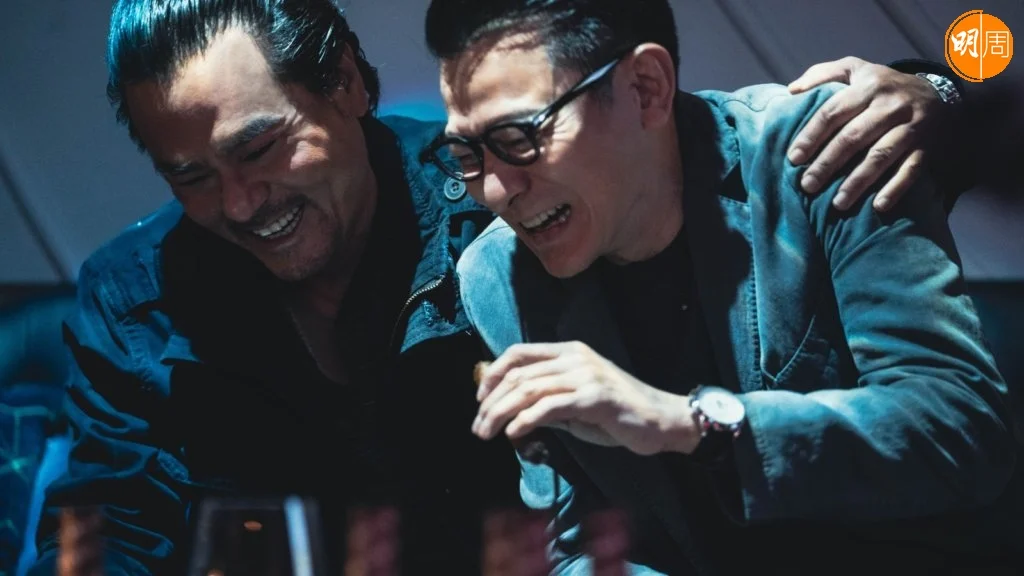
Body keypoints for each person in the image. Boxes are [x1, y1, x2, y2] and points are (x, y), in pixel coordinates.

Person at [27, 0, 974, 574]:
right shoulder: (135, 297)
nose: (238, 202)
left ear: (347, 81)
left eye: (261, 147)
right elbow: (99, 535)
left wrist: (941, 89)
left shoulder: (514, 213)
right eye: (190, 176)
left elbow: (982, 51)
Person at [421, 0, 1021, 574]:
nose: (494, 191)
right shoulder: (495, 276)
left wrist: (691, 423)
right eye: (465, 152)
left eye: (518, 138)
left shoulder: (823, 149)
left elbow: (960, 430)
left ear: (645, 88)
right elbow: (577, 539)